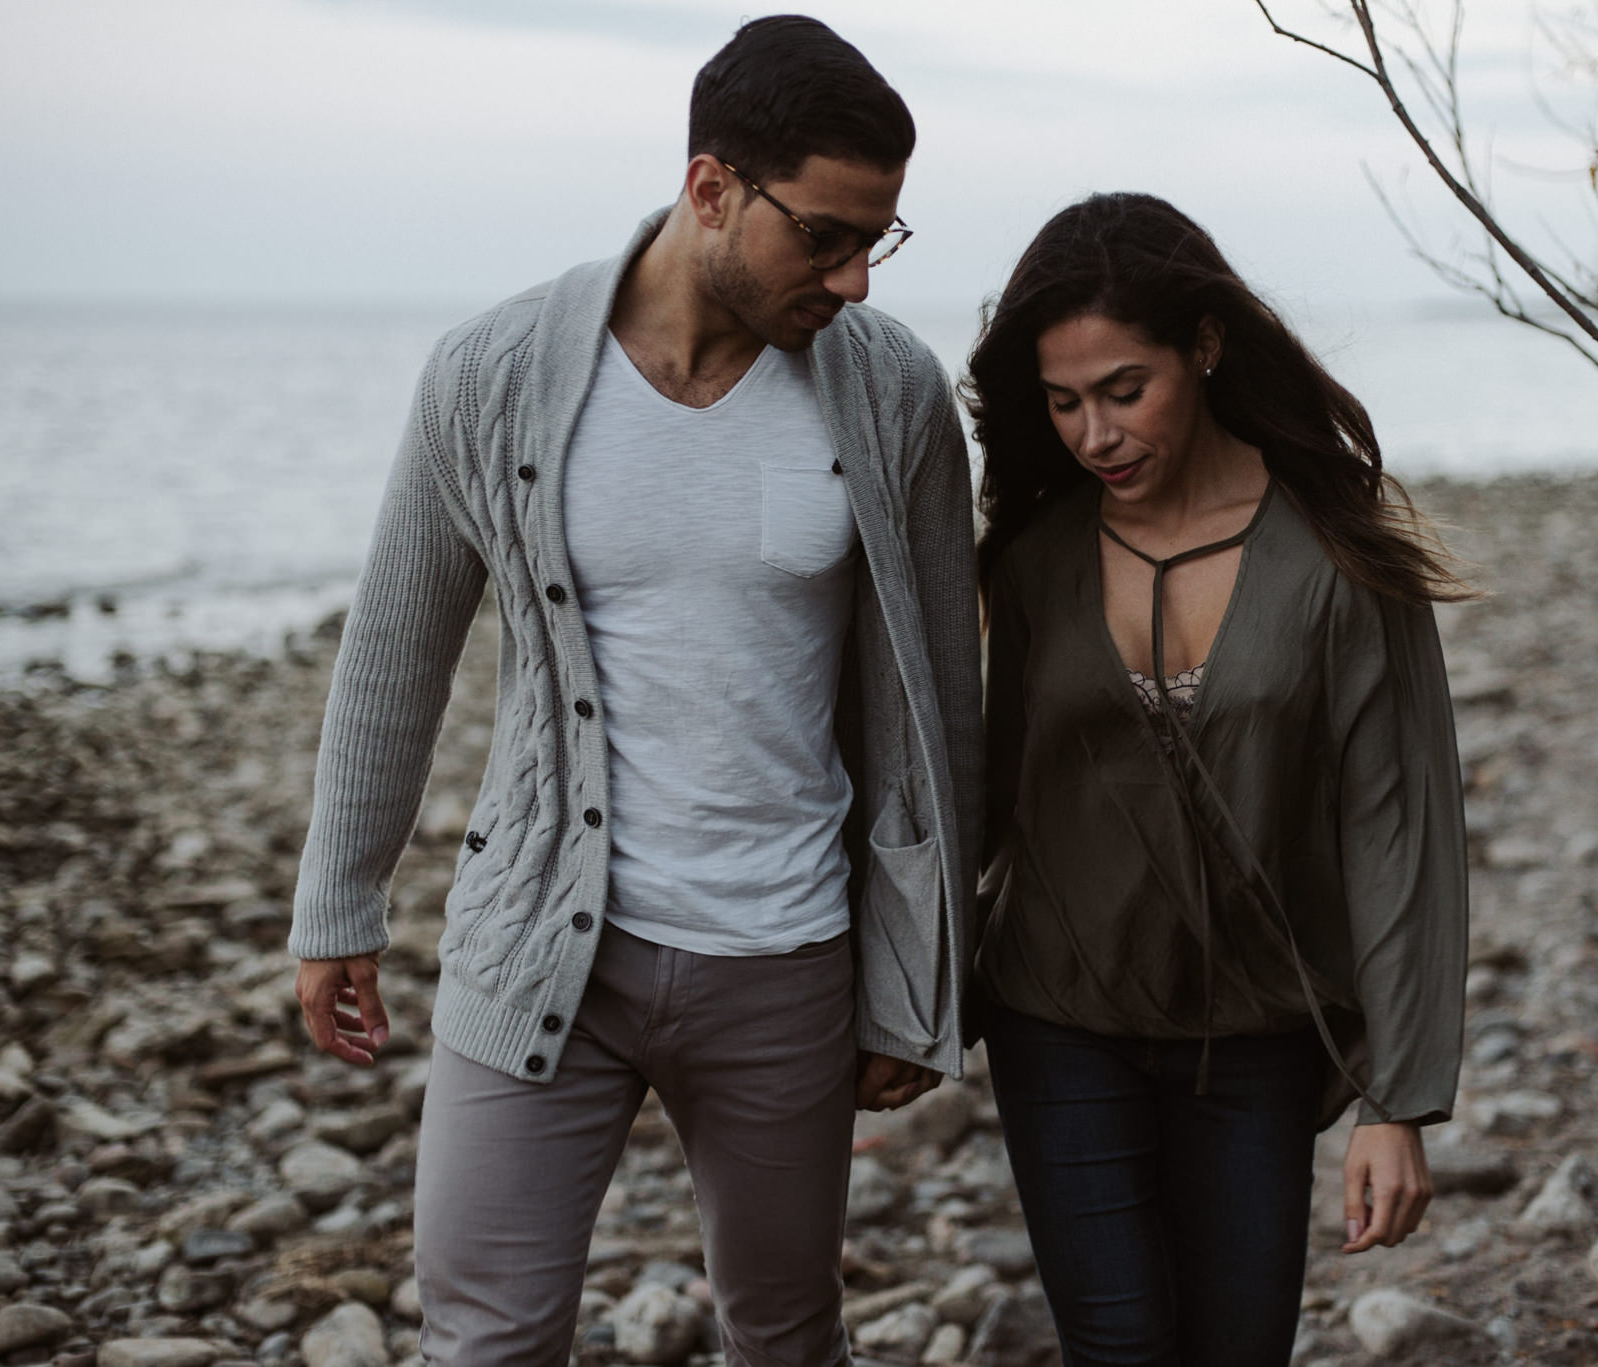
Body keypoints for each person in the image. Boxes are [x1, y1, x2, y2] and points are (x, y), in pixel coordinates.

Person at [285, 17, 981, 1364]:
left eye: (878, 241)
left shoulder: (889, 391)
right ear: (711, 186)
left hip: (787, 953)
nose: (853, 280)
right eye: (826, 237)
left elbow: (939, 701)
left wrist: (922, 975)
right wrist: (338, 904)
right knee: (486, 1333)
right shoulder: (491, 377)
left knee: (786, 1328)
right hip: (542, 935)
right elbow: (395, 647)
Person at [965, 192, 1470, 1366]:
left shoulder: (1335, 558)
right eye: (1062, 401)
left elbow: (1394, 829)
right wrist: (893, 993)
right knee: (1121, 1345)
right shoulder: (1034, 562)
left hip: (1252, 1035)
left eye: (1122, 389)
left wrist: (1394, 1099)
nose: (1094, 433)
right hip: (1058, 1020)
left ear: (1203, 344)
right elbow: (969, 799)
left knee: (1238, 1349)